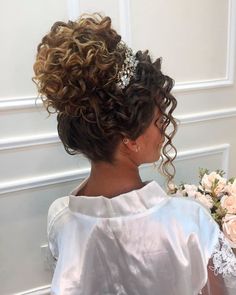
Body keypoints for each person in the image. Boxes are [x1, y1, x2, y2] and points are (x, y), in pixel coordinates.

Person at [33, 13, 236, 295]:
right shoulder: (190, 223)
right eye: (158, 119)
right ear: (129, 140)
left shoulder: (61, 220)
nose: (164, 127)